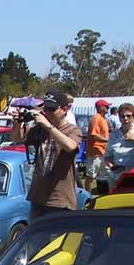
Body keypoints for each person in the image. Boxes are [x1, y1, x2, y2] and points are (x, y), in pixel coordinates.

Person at [25, 89, 84, 219]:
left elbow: (70, 146)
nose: (47, 113)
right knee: (36, 232)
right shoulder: (40, 129)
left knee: (58, 233)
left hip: (60, 199)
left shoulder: (73, 130)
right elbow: (17, 138)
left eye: (51, 109)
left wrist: (49, 127)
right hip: (38, 197)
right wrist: (19, 122)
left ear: (64, 109)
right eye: (45, 109)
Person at [104, 102, 134, 188]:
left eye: (128, 116)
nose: (125, 119)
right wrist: (112, 166)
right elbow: (107, 156)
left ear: (133, 117)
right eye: (122, 116)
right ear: (119, 118)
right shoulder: (113, 135)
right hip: (117, 176)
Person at [84, 99, 111, 193]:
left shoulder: (104, 119)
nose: (108, 108)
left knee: (105, 175)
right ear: (100, 107)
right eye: (106, 106)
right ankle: (87, 195)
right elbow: (93, 135)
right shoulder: (96, 118)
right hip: (95, 152)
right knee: (91, 176)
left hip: (103, 151)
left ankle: (103, 193)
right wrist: (107, 140)